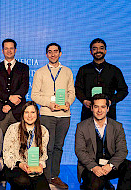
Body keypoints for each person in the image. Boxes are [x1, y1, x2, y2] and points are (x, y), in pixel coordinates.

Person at [31, 43, 75, 189]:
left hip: (64, 115)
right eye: (50, 52)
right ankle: (44, 176)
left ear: (60, 53)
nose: (53, 54)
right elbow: (34, 95)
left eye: (56, 52)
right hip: (47, 114)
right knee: (47, 147)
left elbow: (71, 93)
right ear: (46, 55)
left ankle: (54, 176)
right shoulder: (40, 72)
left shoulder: (67, 71)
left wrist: (68, 103)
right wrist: (48, 103)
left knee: (59, 146)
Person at [75, 94, 131, 190]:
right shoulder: (82, 126)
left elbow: (122, 150)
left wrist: (110, 165)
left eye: (103, 107)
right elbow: (80, 151)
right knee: (96, 185)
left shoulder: (117, 126)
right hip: (91, 166)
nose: (99, 110)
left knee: (129, 167)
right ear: (92, 108)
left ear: (108, 109)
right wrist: (94, 167)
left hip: (110, 165)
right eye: (96, 107)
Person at [75, 38, 128, 121]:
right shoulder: (83, 70)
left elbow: (124, 90)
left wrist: (111, 101)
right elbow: (77, 88)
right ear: (90, 52)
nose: (98, 51)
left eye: (101, 48)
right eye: (95, 48)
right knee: (87, 134)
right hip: (88, 112)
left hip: (109, 113)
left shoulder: (114, 70)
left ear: (105, 51)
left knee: (109, 134)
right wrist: (84, 101)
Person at [3, 101, 50, 190]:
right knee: (24, 181)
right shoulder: (13, 128)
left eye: (32, 112)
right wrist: (20, 164)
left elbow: (43, 154)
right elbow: (7, 154)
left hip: (33, 168)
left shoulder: (43, 131)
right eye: (26, 112)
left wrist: (40, 165)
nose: (29, 116)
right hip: (16, 166)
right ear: (22, 114)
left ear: (37, 114)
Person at [0, 39, 29, 134]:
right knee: (0, 142)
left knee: (19, 141)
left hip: (18, 111)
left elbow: (24, 89)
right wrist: (9, 97)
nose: (9, 50)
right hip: (0, 111)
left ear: (15, 50)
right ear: (2, 51)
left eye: (11, 48)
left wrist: (9, 105)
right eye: (6, 48)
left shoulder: (23, 68)